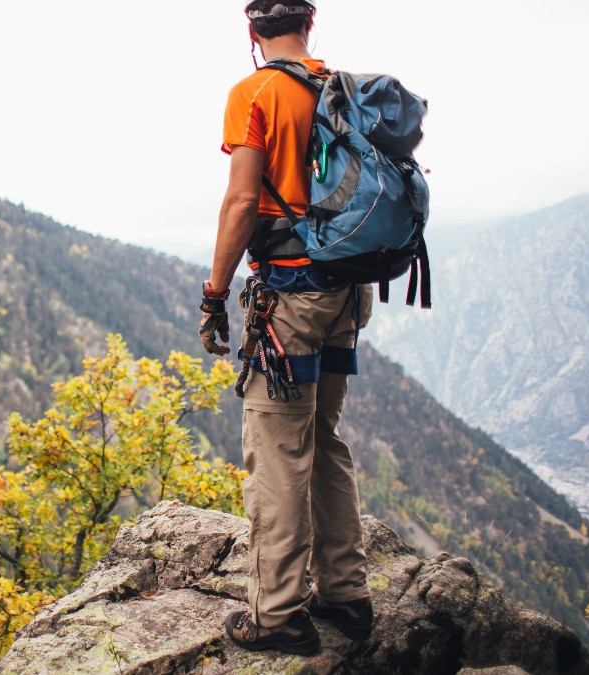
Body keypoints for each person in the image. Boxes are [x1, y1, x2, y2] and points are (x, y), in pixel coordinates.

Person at [198, 0, 375, 655]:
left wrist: (215, 294)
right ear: (310, 25)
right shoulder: (340, 88)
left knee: (276, 448)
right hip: (348, 292)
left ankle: (277, 614)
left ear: (252, 32)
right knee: (323, 436)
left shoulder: (255, 91)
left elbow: (243, 200)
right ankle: (348, 593)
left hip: (290, 300)